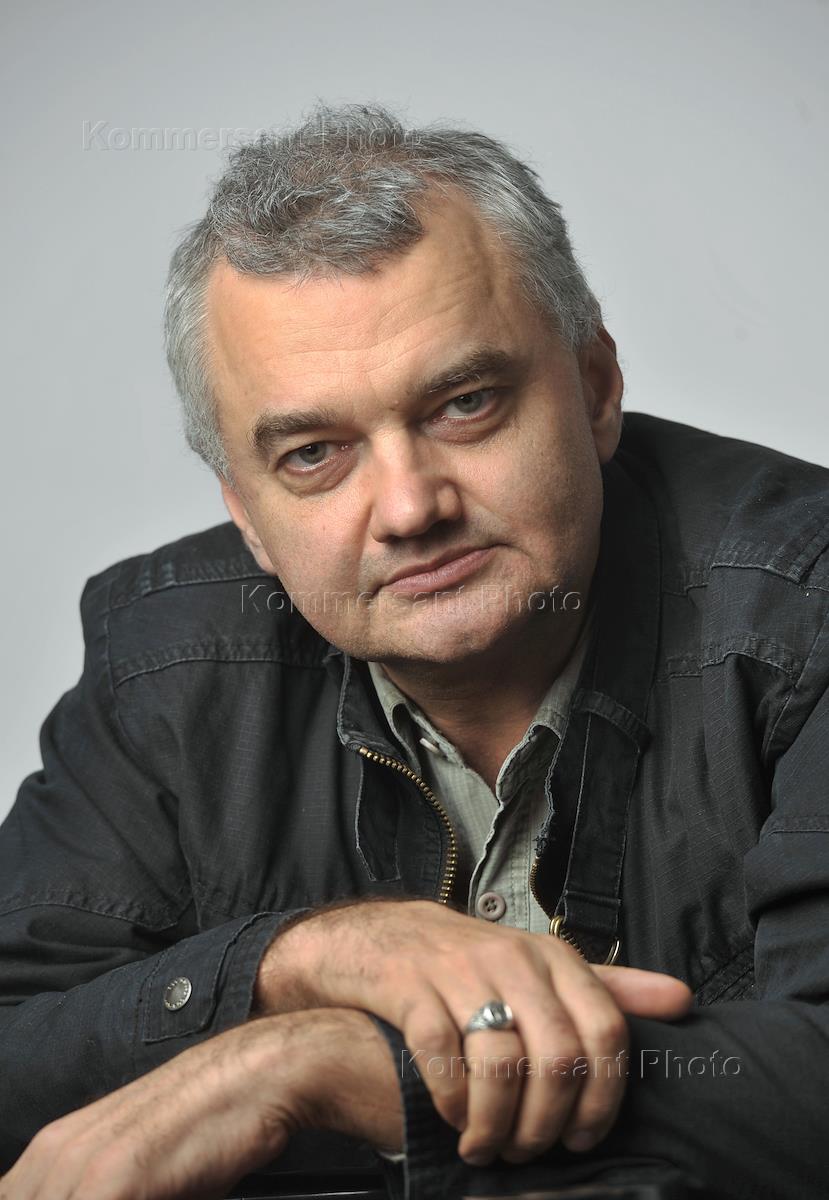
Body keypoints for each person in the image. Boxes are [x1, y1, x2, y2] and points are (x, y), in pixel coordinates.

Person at [0, 101, 826, 1200]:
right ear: (245, 513)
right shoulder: (164, 664)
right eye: (313, 454)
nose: (407, 508)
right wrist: (298, 963)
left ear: (594, 389)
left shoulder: (805, 605)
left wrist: (333, 1066)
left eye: (465, 404)